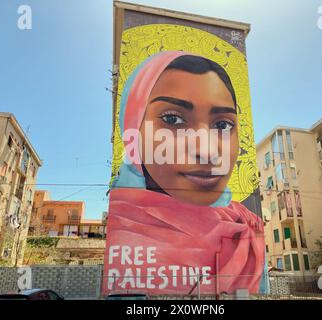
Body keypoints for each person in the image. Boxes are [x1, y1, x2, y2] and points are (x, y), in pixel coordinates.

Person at [105, 51, 265, 295]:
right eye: (173, 119)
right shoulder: (124, 233)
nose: (207, 151)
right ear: (133, 130)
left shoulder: (245, 226)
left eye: (222, 125)